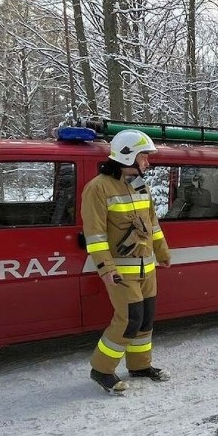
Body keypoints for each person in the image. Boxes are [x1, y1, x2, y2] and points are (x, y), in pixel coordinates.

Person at [81, 130, 172, 393]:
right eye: (144, 157)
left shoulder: (138, 185)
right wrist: (105, 268)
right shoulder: (97, 188)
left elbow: (152, 224)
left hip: (147, 267)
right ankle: (101, 369)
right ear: (128, 156)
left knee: (145, 320)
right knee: (129, 319)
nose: (148, 162)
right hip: (121, 271)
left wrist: (162, 253)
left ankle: (140, 365)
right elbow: (95, 235)